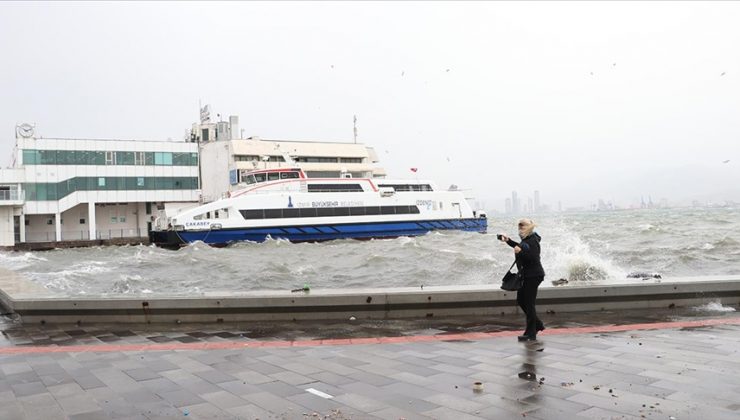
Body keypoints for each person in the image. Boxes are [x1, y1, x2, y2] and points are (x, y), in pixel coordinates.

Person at [498, 218, 546, 341]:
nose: (520, 228)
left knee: (529, 304)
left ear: (529, 227)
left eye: (523, 225)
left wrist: (521, 252)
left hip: (534, 275)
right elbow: (520, 247)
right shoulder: (526, 239)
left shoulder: (533, 240)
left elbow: (533, 257)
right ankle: (538, 325)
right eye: (519, 226)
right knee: (521, 300)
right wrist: (508, 241)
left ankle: (531, 333)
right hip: (527, 275)